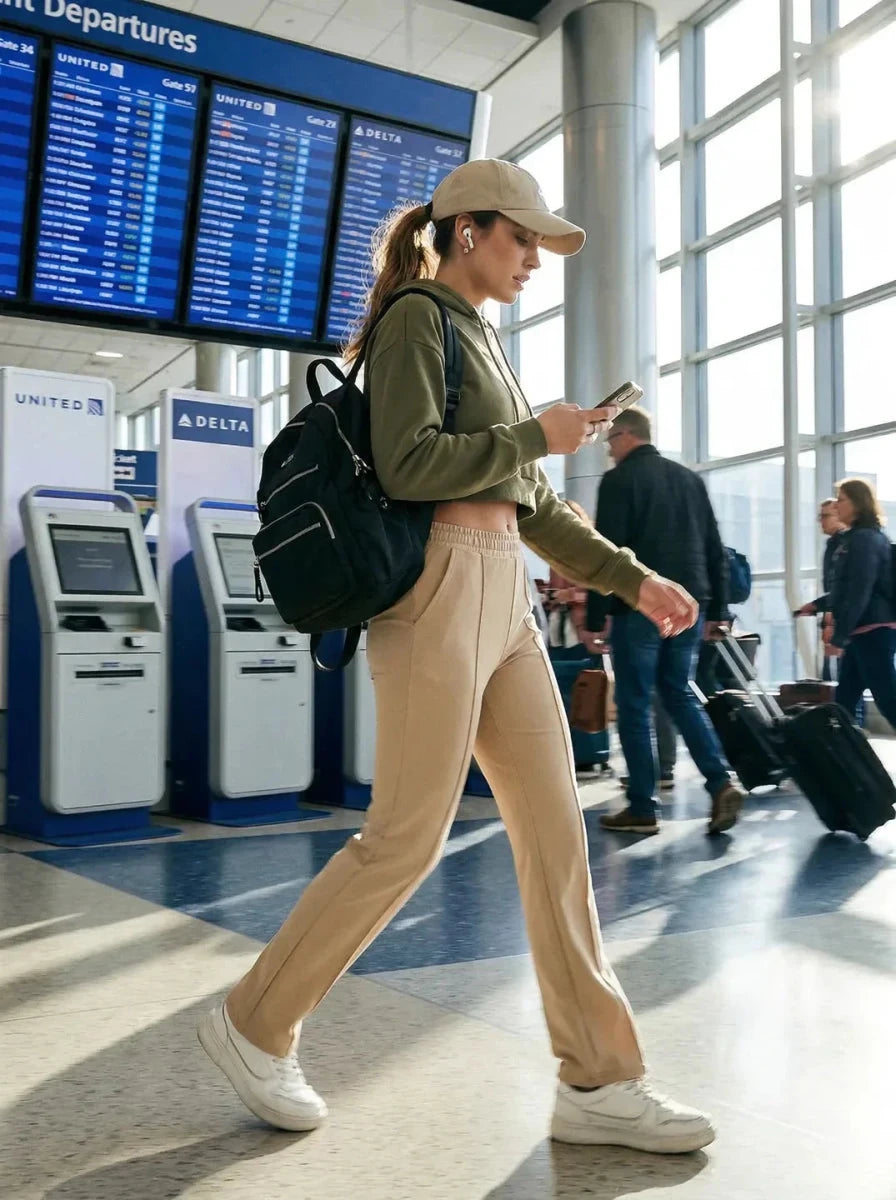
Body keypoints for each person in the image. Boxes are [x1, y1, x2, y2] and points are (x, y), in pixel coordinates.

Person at [197, 158, 715, 1155]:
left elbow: (534, 504)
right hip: (436, 589)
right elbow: (408, 463)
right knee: (405, 837)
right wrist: (537, 432)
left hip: (501, 595)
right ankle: (252, 1023)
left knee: (557, 831)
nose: (533, 258)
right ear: (467, 230)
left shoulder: (484, 338)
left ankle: (598, 1080)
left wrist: (632, 579)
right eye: (521, 238)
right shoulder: (416, 320)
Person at [588, 407, 745, 836]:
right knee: (679, 693)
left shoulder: (620, 480)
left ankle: (642, 806)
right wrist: (718, 612)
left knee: (636, 704)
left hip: (639, 607)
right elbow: (715, 549)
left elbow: (606, 553)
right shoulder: (690, 480)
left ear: (624, 436)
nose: (609, 451)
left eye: (610, 442)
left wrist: (596, 616)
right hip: (689, 606)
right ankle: (720, 782)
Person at [825, 478, 896, 730]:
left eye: (841, 500)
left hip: (873, 630)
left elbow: (860, 589)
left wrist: (839, 637)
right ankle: (842, 759)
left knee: (888, 698)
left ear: (857, 503)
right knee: (844, 702)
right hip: (862, 631)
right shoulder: (859, 537)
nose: (835, 507)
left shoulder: (865, 539)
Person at [796, 498, 848, 681]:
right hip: (835, 615)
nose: (821, 520)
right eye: (820, 516)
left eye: (826, 516)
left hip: (840, 619)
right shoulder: (833, 544)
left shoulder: (844, 545)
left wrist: (829, 619)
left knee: (840, 677)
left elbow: (842, 588)